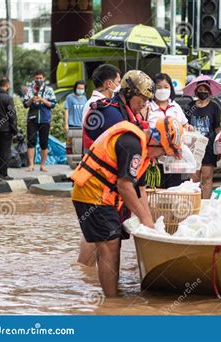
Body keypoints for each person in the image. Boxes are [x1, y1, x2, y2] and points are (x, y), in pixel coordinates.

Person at [71, 117, 184, 296]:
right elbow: (124, 185)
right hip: (92, 195)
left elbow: (140, 190)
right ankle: (111, 302)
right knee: (110, 244)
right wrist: (145, 220)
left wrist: (151, 225)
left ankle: (113, 293)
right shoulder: (132, 145)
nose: (161, 156)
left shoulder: (143, 151)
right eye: (163, 152)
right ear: (155, 140)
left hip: (105, 197)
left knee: (114, 243)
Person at [78, 70, 153, 268]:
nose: (145, 103)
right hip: (96, 186)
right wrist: (145, 218)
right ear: (129, 93)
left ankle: (96, 281)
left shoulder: (126, 114)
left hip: (110, 187)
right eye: (142, 98)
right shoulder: (110, 113)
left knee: (111, 238)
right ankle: (85, 275)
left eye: (147, 100)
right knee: (103, 237)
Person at [148, 73, 193, 189]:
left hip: (175, 158)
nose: (162, 90)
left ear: (171, 89)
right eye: (159, 87)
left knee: (175, 189)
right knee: (157, 191)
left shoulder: (175, 106)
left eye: (166, 87)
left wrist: (188, 127)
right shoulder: (147, 107)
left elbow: (185, 124)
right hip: (155, 158)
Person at [186, 82, 221, 199]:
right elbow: (185, 124)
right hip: (193, 146)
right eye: (200, 89)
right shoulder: (191, 106)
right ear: (196, 92)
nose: (203, 92)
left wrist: (218, 147)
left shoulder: (214, 107)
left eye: (205, 90)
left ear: (210, 92)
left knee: (207, 177)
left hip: (209, 147)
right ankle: (194, 203)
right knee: (194, 178)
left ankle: (205, 204)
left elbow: (216, 128)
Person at [82, 64, 122, 151]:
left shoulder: (99, 102)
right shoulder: (96, 105)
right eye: (118, 82)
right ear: (108, 83)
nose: (120, 86)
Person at [23, 70, 56, 172]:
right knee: (31, 142)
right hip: (32, 119)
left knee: (44, 143)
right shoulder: (29, 90)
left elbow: (53, 105)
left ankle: (42, 165)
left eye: (40, 78)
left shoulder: (49, 90)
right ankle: (31, 165)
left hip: (45, 119)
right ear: (34, 78)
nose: (39, 80)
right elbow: (25, 105)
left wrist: (43, 100)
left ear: (44, 78)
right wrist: (31, 100)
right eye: (37, 78)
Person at [0, 77, 17, 180]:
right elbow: (12, 115)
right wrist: (15, 130)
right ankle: (3, 173)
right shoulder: (8, 98)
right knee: (5, 151)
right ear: (7, 85)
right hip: (6, 129)